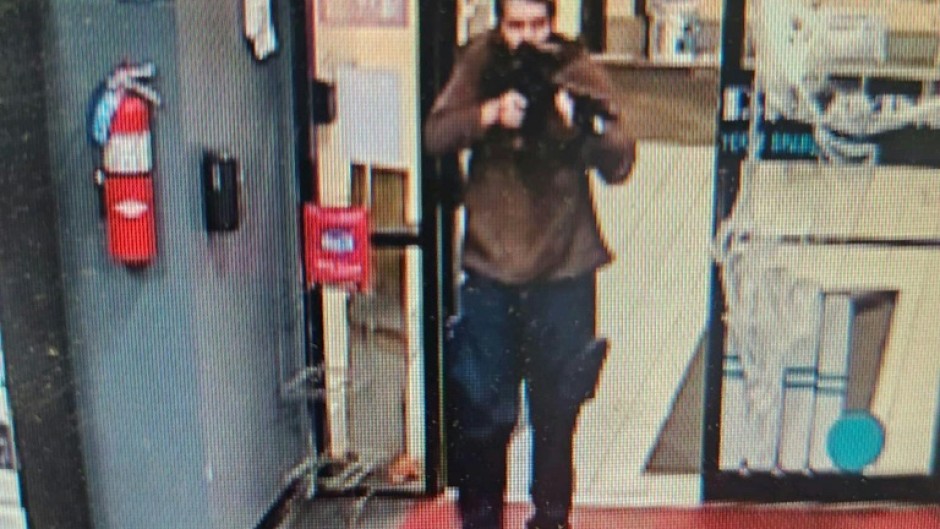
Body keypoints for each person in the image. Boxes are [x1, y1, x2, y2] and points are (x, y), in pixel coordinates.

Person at [424, 1, 635, 528]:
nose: (527, 37)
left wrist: (580, 123)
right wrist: (488, 114)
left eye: (538, 24)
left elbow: (622, 158)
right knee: (483, 415)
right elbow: (435, 135)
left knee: (557, 412)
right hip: (493, 270)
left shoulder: (572, 64)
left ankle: (551, 519)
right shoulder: (480, 61)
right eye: (516, 25)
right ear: (500, 24)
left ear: (552, 22)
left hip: (563, 269)